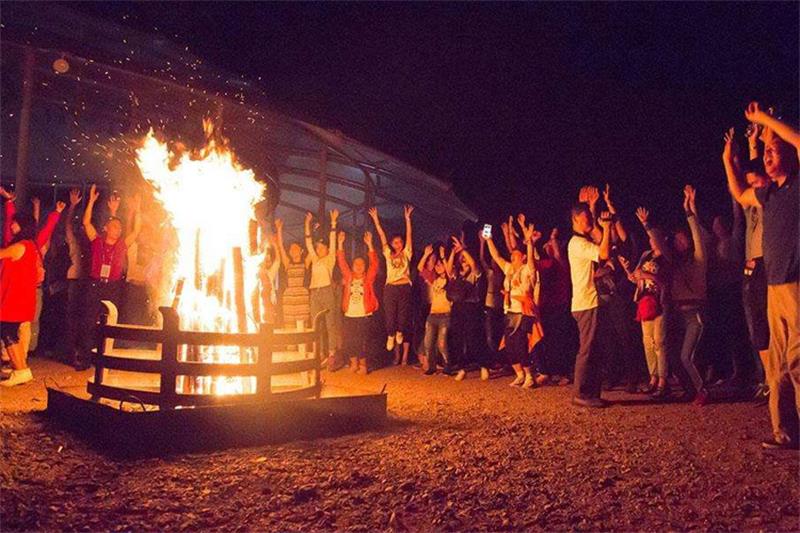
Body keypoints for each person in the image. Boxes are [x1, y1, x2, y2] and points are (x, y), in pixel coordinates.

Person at [722, 102, 799, 450]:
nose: (767, 156)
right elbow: (740, 194)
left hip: (797, 287)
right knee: (777, 365)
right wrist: (728, 160)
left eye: (773, 150)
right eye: (766, 152)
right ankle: (785, 432)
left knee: (798, 362)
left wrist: (766, 121)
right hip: (775, 288)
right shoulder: (770, 193)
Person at [75, 185, 141, 370]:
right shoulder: (97, 241)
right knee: (89, 322)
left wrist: (137, 209)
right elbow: (86, 222)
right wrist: (91, 201)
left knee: (109, 322)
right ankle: (86, 359)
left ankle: (105, 360)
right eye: (115, 226)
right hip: (95, 285)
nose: (118, 230)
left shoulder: (122, 245)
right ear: (106, 228)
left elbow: (136, 231)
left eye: (120, 227)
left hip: (112, 287)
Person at [731, 124, 771, 400]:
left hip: (766, 264)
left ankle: (776, 378)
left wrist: (756, 144)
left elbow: (760, 170)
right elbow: (745, 180)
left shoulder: (770, 200)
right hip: (750, 267)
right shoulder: (750, 207)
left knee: (770, 324)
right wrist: (744, 149)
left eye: (756, 183)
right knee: (756, 327)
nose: (752, 188)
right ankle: (767, 377)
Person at [2, 187, 63, 358]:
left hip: (28, 290)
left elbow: (45, 230)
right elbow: (10, 222)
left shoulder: (28, 244)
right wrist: (9, 202)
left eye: (15, 223)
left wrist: (56, 213)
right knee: (12, 326)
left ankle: (19, 358)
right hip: (14, 290)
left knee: (22, 325)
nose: (11, 225)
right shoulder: (16, 242)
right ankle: (11, 358)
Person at [483, 221, 541, 388]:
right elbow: (496, 256)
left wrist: (529, 243)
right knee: (509, 346)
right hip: (510, 311)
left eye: (515, 255)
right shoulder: (509, 269)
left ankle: (529, 375)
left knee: (521, 344)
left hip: (523, 312)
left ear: (522, 257)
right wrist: (488, 239)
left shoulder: (527, 270)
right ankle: (519, 374)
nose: (512, 257)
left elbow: (531, 260)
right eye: (512, 256)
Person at [667, 186, 709, 404]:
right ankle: (691, 390)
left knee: (687, 356)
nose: (679, 242)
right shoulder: (677, 264)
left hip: (694, 314)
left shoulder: (698, 260)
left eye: (683, 239)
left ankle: (703, 391)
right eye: (676, 240)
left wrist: (689, 210)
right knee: (676, 356)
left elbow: (698, 236)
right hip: (679, 315)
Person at [567, 202, 612, 407]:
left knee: (594, 349)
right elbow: (604, 253)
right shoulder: (577, 243)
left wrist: (594, 212)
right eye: (586, 217)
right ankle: (580, 393)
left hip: (587, 301)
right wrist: (607, 227)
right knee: (587, 349)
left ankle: (591, 393)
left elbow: (601, 246)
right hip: (586, 302)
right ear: (576, 219)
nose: (590, 221)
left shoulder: (580, 241)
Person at [625, 206, 670, 398]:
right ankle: (653, 377)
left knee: (660, 341)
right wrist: (631, 274)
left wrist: (646, 224)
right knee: (648, 342)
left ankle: (663, 381)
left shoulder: (666, 257)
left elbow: (665, 280)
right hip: (644, 301)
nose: (650, 239)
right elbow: (637, 277)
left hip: (660, 301)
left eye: (653, 236)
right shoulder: (646, 255)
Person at [0, 211, 43, 386]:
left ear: (23, 225)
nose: (12, 225)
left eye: (15, 223)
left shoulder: (21, 246)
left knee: (7, 333)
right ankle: (21, 369)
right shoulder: (31, 245)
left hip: (14, 299)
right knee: (10, 333)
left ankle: (20, 370)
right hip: (20, 298)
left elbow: (2, 254)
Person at [369, 205, 414, 364]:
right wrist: (376, 219)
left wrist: (407, 219)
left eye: (400, 242)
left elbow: (409, 235)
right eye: (395, 242)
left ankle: (400, 332)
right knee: (389, 317)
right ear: (392, 244)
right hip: (390, 288)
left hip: (404, 287)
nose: (398, 244)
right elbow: (382, 236)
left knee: (402, 317)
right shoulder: (388, 254)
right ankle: (390, 335)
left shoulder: (407, 253)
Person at [337, 230, 379, 374]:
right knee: (350, 340)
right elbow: (342, 262)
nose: (359, 266)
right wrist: (340, 243)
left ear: (365, 266)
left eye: (362, 264)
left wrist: (370, 245)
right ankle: (353, 364)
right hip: (349, 314)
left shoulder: (368, 279)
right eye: (356, 264)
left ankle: (363, 365)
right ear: (352, 266)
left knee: (363, 341)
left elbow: (374, 264)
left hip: (364, 315)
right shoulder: (348, 277)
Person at [448, 236, 488, 382]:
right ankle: (462, 369)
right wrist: (453, 252)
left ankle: (483, 365)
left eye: (465, 258)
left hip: (472, 307)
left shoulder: (475, 273)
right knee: (458, 339)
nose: (464, 260)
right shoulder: (456, 274)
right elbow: (448, 269)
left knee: (474, 338)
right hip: (457, 308)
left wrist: (463, 249)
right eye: (462, 259)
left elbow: (473, 263)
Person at [304, 210, 340, 370]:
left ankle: (332, 355)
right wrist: (307, 224)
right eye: (317, 248)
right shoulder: (315, 259)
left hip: (326, 292)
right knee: (316, 325)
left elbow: (332, 241)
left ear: (326, 249)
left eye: (322, 248)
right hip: (314, 293)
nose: (319, 250)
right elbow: (308, 243)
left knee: (330, 324)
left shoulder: (330, 259)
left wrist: (333, 223)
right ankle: (319, 354)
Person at [417, 244, 453, 375]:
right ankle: (431, 367)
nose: (437, 266)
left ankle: (447, 366)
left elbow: (449, 271)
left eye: (439, 264)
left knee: (441, 343)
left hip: (445, 316)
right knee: (428, 343)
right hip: (432, 316)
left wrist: (443, 257)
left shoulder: (450, 280)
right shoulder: (434, 279)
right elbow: (420, 268)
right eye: (436, 265)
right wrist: (426, 254)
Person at [275, 218, 310, 331]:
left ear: (301, 251)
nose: (293, 250)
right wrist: (279, 229)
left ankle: (302, 344)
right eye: (291, 249)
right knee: (289, 327)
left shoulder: (306, 263)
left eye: (296, 248)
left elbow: (310, 246)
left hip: (302, 298)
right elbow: (281, 247)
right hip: (288, 298)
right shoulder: (287, 263)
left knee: (301, 329)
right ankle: (290, 342)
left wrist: (307, 224)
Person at [478, 229, 504, 375]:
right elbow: (482, 259)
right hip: (490, 306)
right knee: (489, 336)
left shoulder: (503, 273)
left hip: (500, 307)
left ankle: (498, 361)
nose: (494, 261)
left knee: (498, 334)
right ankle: (491, 361)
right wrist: (482, 243)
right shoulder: (490, 273)